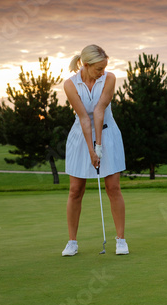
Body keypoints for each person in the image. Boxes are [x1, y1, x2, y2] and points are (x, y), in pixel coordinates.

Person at [62, 44, 129, 256]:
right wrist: (91, 150)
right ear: (86, 65)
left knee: (113, 187)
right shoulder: (70, 85)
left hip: (108, 135)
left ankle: (120, 240)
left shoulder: (109, 79)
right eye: (99, 69)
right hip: (80, 137)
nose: (102, 72)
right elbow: (84, 117)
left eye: (104, 68)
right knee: (75, 190)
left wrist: (98, 146)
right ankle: (72, 242)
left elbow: (99, 110)